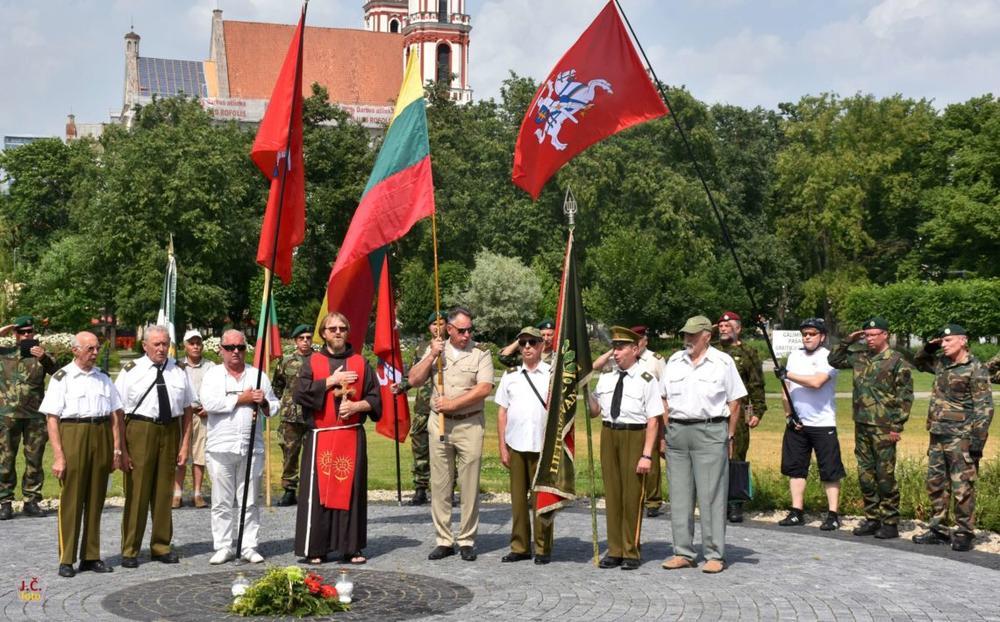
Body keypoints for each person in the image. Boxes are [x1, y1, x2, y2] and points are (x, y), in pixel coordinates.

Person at [660, 316, 746, 574]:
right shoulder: (674, 361)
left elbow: (735, 401)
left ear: (707, 335)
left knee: (711, 495)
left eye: (693, 335)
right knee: (679, 496)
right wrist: (667, 431)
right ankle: (683, 552)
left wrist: (729, 435)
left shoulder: (723, 362)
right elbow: (663, 398)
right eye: (685, 334)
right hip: (677, 432)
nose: (688, 339)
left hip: (710, 430)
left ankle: (714, 554)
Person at [407, 306, 494, 562]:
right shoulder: (436, 349)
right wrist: (431, 356)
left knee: (469, 485)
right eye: (462, 330)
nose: (467, 335)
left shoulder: (481, 353)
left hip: (469, 424)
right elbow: (414, 379)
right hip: (440, 425)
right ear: (449, 329)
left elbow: (484, 388)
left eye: (470, 330)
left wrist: (453, 405)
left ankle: (466, 539)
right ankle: (444, 539)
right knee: (441, 484)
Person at [293, 312, 380, 564]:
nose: (338, 332)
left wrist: (357, 407)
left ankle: (350, 547)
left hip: (351, 435)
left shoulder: (361, 363)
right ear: (324, 333)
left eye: (343, 328)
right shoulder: (313, 362)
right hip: (321, 436)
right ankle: (316, 548)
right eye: (333, 329)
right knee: (318, 494)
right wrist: (332, 381)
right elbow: (300, 393)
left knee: (350, 492)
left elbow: (376, 398)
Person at [39, 331, 124, 578]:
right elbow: (52, 419)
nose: (95, 353)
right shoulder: (62, 378)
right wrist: (59, 456)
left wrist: (116, 448)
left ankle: (91, 556)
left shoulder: (103, 378)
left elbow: (116, 414)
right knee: (72, 500)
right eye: (90, 349)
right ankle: (67, 558)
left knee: (97, 499)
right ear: (76, 350)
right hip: (73, 434)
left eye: (97, 348)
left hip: (101, 434)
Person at [116, 325, 194, 568]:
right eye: (157, 344)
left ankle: (161, 546)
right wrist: (122, 449)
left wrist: (184, 445)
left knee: (163, 493)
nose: (162, 348)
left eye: (165, 343)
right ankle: (130, 549)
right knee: (137, 492)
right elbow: (117, 412)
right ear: (145, 346)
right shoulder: (131, 371)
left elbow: (188, 409)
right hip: (140, 430)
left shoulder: (178, 370)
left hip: (170, 430)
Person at [828, 318, 913, 539]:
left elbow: (905, 397)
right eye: (867, 334)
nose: (869, 338)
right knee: (865, 474)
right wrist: (848, 340)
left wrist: (897, 425)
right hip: (862, 423)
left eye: (874, 334)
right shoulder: (860, 356)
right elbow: (834, 359)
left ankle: (890, 521)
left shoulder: (896, 361)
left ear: (886, 334)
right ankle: (872, 518)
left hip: (884, 426)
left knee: (885, 475)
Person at [910, 324, 994, 551]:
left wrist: (977, 441)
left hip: (962, 438)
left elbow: (984, 408)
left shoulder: (974, 367)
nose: (944, 345)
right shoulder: (941, 364)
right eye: (942, 341)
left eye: (948, 341)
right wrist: (928, 346)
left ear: (963, 341)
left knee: (962, 487)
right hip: (937, 435)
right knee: (936, 484)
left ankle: (964, 531)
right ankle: (938, 528)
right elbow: (919, 362)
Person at [199, 329, 279, 564]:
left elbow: (274, 405)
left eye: (240, 348)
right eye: (230, 347)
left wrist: (263, 401)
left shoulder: (258, 375)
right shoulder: (213, 375)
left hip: (251, 446)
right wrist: (240, 399)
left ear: (246, 349)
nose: (236, 352)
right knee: (222, 500)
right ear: (221, 350)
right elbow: (209, 403)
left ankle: (248, 545)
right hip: (220, 446)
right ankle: (223, 545)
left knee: (250, 500)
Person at [587, 326, 662, 571]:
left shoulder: (646, 379)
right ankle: (615, 549)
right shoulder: (607, 377)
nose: (615, 353)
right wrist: (585, 391)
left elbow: (653, 419)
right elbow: (595, 412)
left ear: (634, 349)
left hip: (635, 435)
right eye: (614, 347)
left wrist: (646, 454)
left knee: (632, 496)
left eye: (620, 348)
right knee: (613, 494)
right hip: (610, 434)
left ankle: (631, 550)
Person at [776, 318, 845, 531]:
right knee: (796, 468)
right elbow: (785, 388)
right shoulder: (795, 356)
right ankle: (797, 511)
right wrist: (790, 415)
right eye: (804, 333)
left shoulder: (828, 357)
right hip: (798, 423)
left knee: (830, 470)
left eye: (812, 333)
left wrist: (787, 374)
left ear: (822, 336)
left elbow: (816, 383)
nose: (807, 337)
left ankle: (833, 514)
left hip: (822, 423)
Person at [496, 327, 554, 565]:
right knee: (518, 500)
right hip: (516, 445)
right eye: (523, 343)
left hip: (542, 446)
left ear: (542, 345)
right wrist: (502, 446)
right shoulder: (510, 376)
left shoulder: (552, 374)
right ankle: (519, 546)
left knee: (542, 499)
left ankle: (542, 547)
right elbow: (502, 412)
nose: (527, 347)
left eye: (532, 342)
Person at [0, 315, 58, 520]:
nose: (26, 335)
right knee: (5, 460)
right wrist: (4, 329)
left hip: (35, 416)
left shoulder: (41, 354)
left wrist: (43, 357)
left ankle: (31, 500)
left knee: (34, 460)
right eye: (22, 332)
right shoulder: (4, 353)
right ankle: (4, 502)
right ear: (15, 334)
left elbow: (59, 373)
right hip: (7, 416)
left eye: (29, 331)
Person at [390, 312, 446, 506]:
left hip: (443, 406)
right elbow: (413, 375)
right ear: (429, 327)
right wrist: (401, 387)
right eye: (434, 324)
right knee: (420, 448)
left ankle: (447, 489)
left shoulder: (453, 346)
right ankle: (420, 488)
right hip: (423, 406)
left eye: (441, 323)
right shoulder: (422, 348)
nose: (437, 328)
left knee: (446, 449)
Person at [716, 311, 766, 523]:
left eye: (728, 326)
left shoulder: (748, 352)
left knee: (736, 457)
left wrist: (757, 411)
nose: (723, 329)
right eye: (720, 326)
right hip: (714, 412)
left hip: (739, 412)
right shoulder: (713, 352)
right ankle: (717, 502)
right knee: (714, 459)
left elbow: (756, 384)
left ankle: (736, 504)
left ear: (738, 328)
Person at [272, 323, 314, 507]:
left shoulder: (319, 360)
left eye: (308, 338)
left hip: (313, 414)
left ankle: (311, 489)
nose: (305, 341)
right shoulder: (286, 361)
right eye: (301, 338)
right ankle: (289, 490)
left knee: (313, 453)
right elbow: (277, 384)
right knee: (290, 453)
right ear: (295, 341)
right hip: (291, 416)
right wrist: (284, 402)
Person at [174, 329, 215, 509]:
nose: (196, 346)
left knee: (199, 455)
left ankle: (197, 493)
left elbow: (217, 390)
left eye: (198, 343)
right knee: (180, 455)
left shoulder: (211, 367)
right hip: (182, 416)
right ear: (185, 345)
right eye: (192, 343)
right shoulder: (176, 366)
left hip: (201, 415)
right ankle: (177, 493)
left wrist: (210, 408)